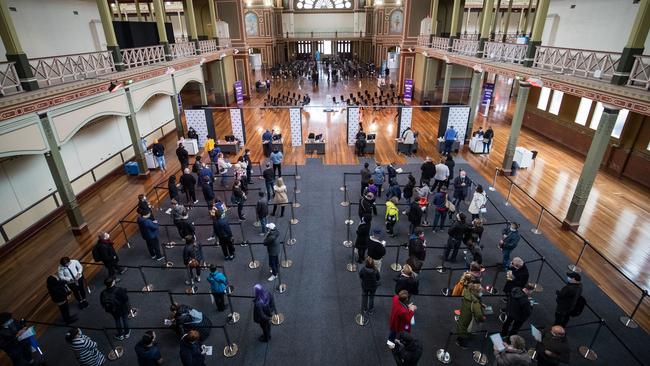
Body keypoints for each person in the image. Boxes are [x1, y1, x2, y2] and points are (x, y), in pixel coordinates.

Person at [456, 283, 485, 349]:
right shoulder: (475, 303)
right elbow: (479, 315)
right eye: (480, 291)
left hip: (463, 314)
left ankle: (459, 339)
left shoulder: (467, 294)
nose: (481, 293)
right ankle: (462, 343)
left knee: (461, 326)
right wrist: (482, 319)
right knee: (465, 329)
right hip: (469, 318)